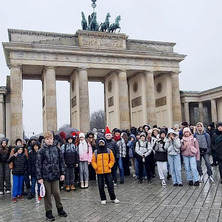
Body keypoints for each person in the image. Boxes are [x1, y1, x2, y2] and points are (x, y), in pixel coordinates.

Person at [36, 131, 67, 221]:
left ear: (53, 139)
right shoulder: (41, 150)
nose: (49, 140)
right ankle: (48, 211)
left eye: (50, 139)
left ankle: (60, 209)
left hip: (55, 175)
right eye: (47, 139)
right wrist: (39, 177)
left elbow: (61, 162)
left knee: (57, 193)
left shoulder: (57, 149)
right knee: (47, 194)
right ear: (44, 140)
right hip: (45, 176)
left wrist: (62, 173)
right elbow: (38, 164)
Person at [91, 138, 119, 205]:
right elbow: (93, 161)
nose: (101, 144)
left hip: (108, 171)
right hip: (99, 171)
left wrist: (109, 166)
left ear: (104, 143)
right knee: (101, 186)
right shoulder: (96, 152)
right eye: (100, 143)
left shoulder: (108, 151)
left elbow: (112, 160)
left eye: (102, 143)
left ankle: (113, 198)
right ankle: (103, 198)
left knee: (110, 185)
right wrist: (96, 167)